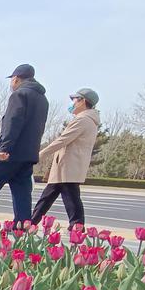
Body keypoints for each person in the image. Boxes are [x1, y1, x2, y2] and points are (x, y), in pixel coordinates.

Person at [0, 64, 49, 225]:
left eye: (12, 80)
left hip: (12, 152)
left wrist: (5, 147)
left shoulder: (20, 94)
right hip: (29, 153)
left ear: (16, 79)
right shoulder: (43, 99)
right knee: (21, 189)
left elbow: (13, 121)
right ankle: (22, 225)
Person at [30, 88, 100, 229]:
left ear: (83, 101)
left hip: (68, 166)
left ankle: (76, 227)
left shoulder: (83, 120)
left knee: (70, 199)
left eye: (74, 99)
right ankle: (31, 223)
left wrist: (40, 154)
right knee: (48, 197)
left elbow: (62, 140)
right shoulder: (89, 120)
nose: (72, 103)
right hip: (69, 166)